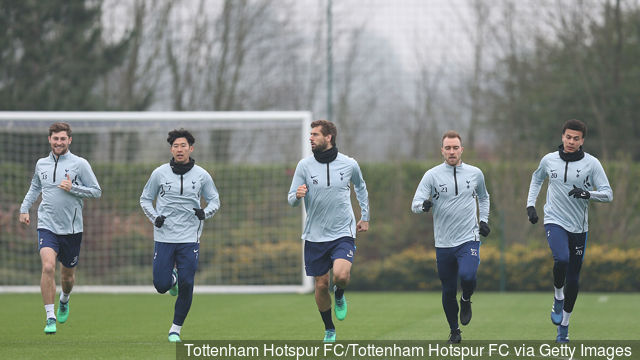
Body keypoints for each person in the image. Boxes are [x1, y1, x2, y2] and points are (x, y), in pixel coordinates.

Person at [526, 119, 612, 343]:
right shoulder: (548, 160)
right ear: (562, 136)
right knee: (561, 259)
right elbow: (536, 179)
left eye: (576, 138)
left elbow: (608, 193)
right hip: (554, 219)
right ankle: (557, 296)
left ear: (582, 141)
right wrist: (530, 205)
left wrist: (587, 194)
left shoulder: (592, 164)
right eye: (568, 137)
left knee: (573, 278)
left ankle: (563, 327)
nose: (571, 142)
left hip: (579, 228)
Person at [288, 120, 370, 342]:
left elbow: (361, 187)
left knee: (341, 276)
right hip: (315, 235)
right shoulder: (304, 166)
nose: (311, 138)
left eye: (315, 134)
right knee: (322, 284)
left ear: (329, 137)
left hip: (343, 230)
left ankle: (340, 294)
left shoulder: (349, 164)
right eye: (310, 134)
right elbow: (291, 199)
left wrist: (365, 217)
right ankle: (329, 329)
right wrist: (297, 195)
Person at [19, 122, 102, 335]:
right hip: (46, 225)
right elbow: (35, 187)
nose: (58, 142)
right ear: (49, 139)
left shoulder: (80, 164)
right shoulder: (41, 164)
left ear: (69, 140)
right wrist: (24, 208)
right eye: (55, 139)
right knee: (48, 267)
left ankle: (64, 300)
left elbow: (96, 191)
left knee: (67, 278)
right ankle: (50, 316)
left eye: (62, 139)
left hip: (72, 229)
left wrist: (72, 188)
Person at [140, 128, 220, 343]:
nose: (179, 149)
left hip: (189, 237)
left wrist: (205, 212)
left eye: (183, 145)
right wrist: (154, 217)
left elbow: (215, 201)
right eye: (176, 146)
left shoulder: (202, 175)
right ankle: (171, 279)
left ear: (191, 148)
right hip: (164, 235)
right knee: (161, 286)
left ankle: (175, 329)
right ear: (171, 149)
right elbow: (145, 199)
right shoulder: (159, 173)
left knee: (188, 283)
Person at [411, 130, 490, 344]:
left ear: (462, 149)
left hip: (469, 238)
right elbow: (415, 203)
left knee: (468, 276)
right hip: (444, 242)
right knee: (447, 289)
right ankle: (454, 331)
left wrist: (484, 220)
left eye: (455, 147)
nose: (452, 151)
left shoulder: (475, 173)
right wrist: (423, 206)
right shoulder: (432, 175)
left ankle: (466, 299)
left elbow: (484, 197)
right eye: (448, 148)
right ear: (442, 150)